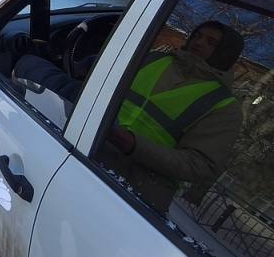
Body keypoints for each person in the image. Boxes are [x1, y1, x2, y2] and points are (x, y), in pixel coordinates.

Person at [14, 20, 244, 212]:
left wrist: (132, 145)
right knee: (31, 65)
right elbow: (105, 78)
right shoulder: (155, 58)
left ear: (225, 54)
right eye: (198, 36)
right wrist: (88, 65)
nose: (200, 43)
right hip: (85, 149)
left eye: (211, 42)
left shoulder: (224, 106)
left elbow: (198, 166)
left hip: (131, 191)